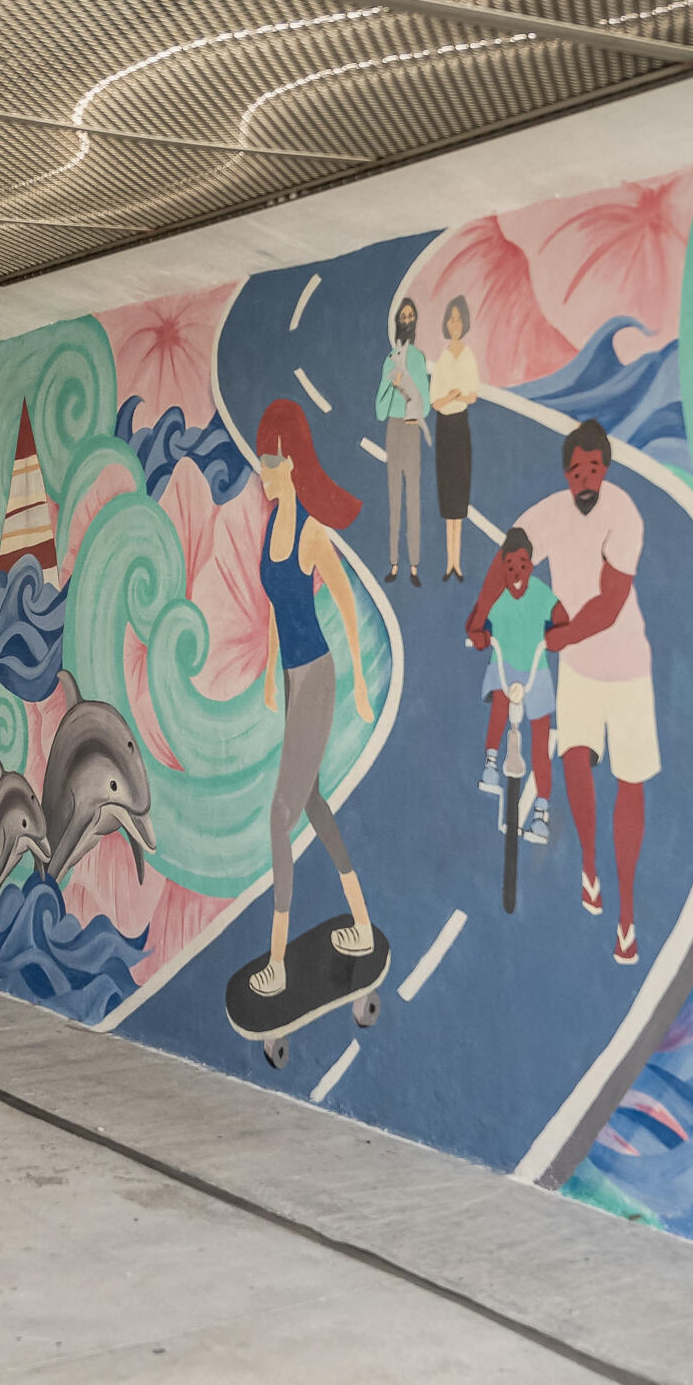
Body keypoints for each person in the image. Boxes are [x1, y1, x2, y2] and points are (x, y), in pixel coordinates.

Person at [513, 420, 658, 964]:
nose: (584, 479)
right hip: (577, 670)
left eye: (593, 469)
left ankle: (626, 914)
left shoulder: (625, 516)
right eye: (576, 471)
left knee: (630, 784)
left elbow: (611, 603)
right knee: (574, 759)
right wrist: (505, 611)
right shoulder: (550, 513)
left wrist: (558, 634)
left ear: (607, 468)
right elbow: (515, 552)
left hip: (627, 670)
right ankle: (590, 866)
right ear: (566, 474)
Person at [252, 399, 380, 991]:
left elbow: (347, 607)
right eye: (259, 461)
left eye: (269, 462)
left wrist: (356, 681)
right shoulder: (271, 526)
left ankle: (276, 965)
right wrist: (272, 672)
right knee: (311, 805)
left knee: (281, 816)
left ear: (291, 465)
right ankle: (361, 919)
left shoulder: (310, 533)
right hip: (293, 679)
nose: (262, 472)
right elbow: (279, 609)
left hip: (320, 679)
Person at [464, 526, 554, 846]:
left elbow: (562, 617)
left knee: (540, 736)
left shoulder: (542, 593)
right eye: (511, 565)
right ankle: (491, 761)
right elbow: (477, 623)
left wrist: (557, 635)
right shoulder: (497, 597)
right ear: (504, 566)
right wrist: (481, 637)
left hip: (535, 670)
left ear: (530, 564)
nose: (517, 573)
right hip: (505, 666)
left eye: (523, 564)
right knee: (499, 709)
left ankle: (542, 809)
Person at [376, 298, 431, 587]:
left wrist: (408, 390)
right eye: (403, 316)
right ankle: (394, 563)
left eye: (411, 316)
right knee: (394, 498)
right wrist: (390, 382)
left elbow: (425, 404)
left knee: (414, 498)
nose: (406, 320)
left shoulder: (418, 359)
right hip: (393, 430)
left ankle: (414, 565)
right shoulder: (389, 360)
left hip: (411, 431)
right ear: (397, 322)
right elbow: (379, 409)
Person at [431, 295, 483, 580]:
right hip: (444, 427)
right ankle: (448, 560)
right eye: (450, 318)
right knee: (447, 491)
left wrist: (454, 395)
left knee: (460, 492)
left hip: (460, 425)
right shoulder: (441, 359)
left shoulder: (468, 355)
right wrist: (453, 394)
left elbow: (472, 394)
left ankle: (457, 562)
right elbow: (435, 402)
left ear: (464, 322)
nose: (454, 323)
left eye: (458, 318)